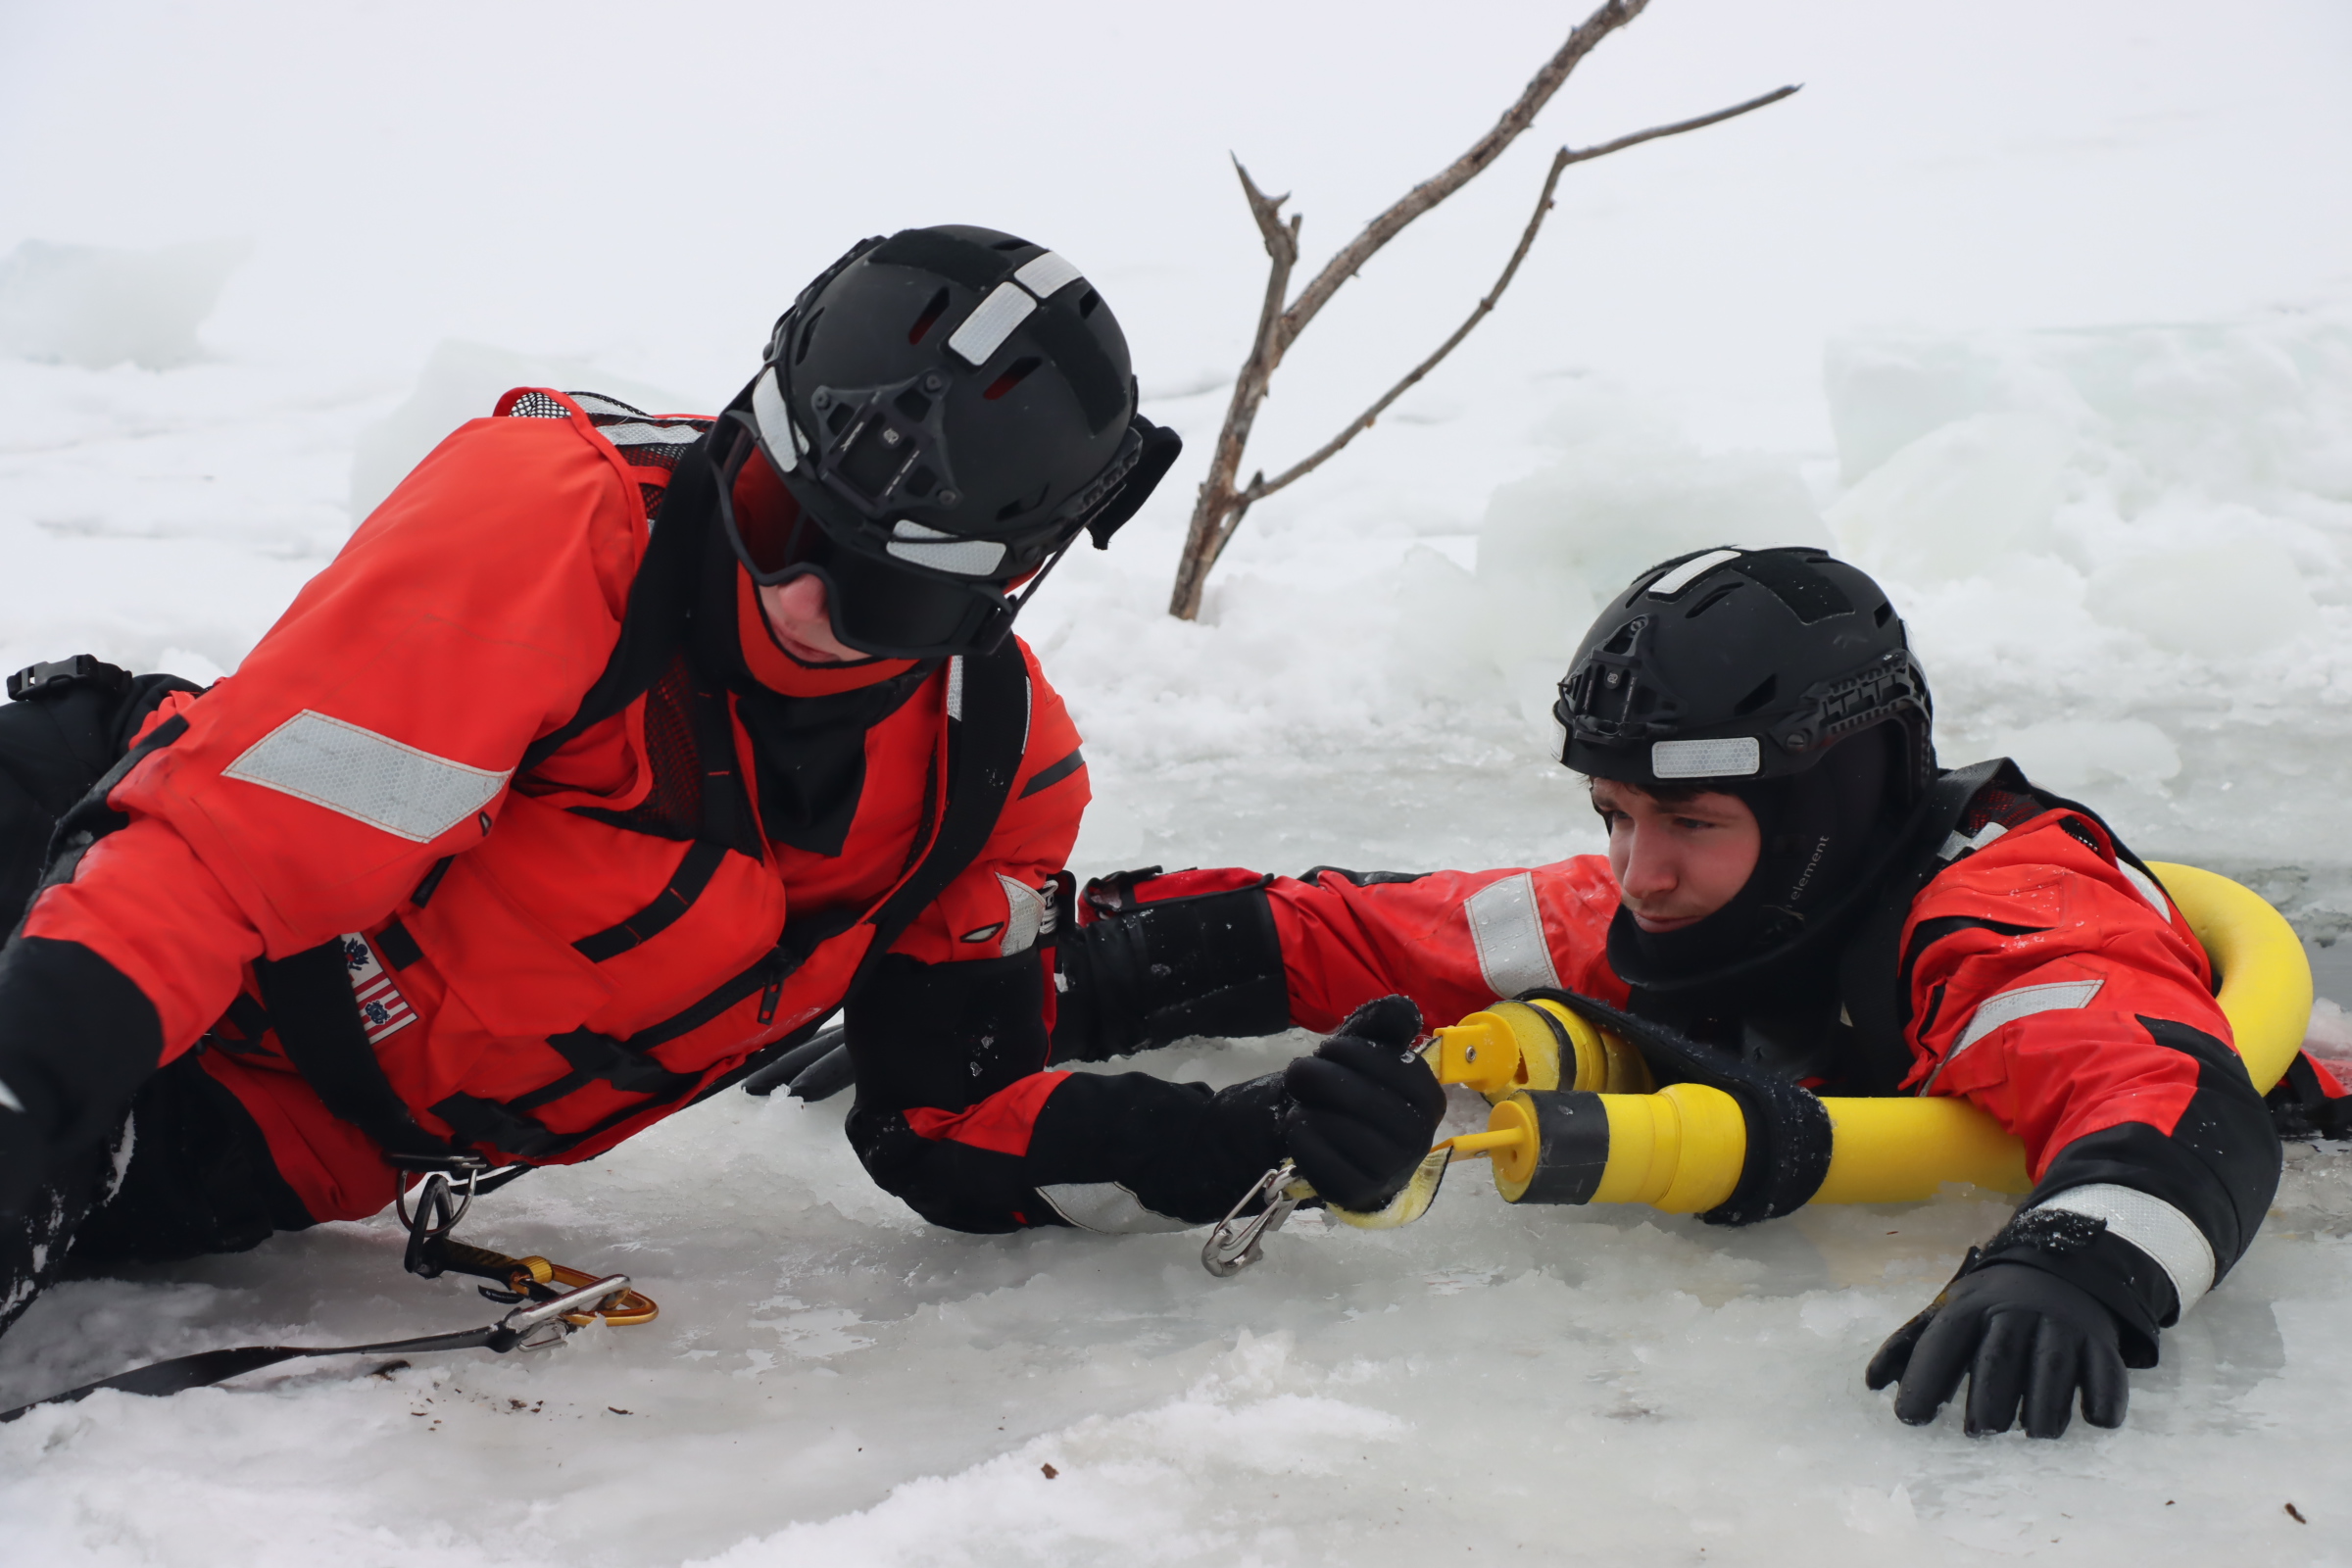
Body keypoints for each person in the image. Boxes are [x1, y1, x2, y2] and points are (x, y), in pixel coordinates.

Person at [0, 225, 1444, 1340]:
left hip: (269, 1130)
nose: (800, 593)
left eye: (887, 591)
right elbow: (215, 863)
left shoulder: (991, 777)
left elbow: (950, 1119)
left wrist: (1244, 1143)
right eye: (771, 508)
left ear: (1011, 587)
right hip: (66, 897)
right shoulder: (552, 530)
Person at [1036, 546, 2340, 1438]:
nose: (1637, 872)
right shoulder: (1700, 903)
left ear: (1830, 807)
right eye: (1612, 814)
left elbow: (2163, 1094)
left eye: (1689, 822)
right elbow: (1372, 932)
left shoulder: (2008, 914)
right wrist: (1070, 968)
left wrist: (2079, 1267)